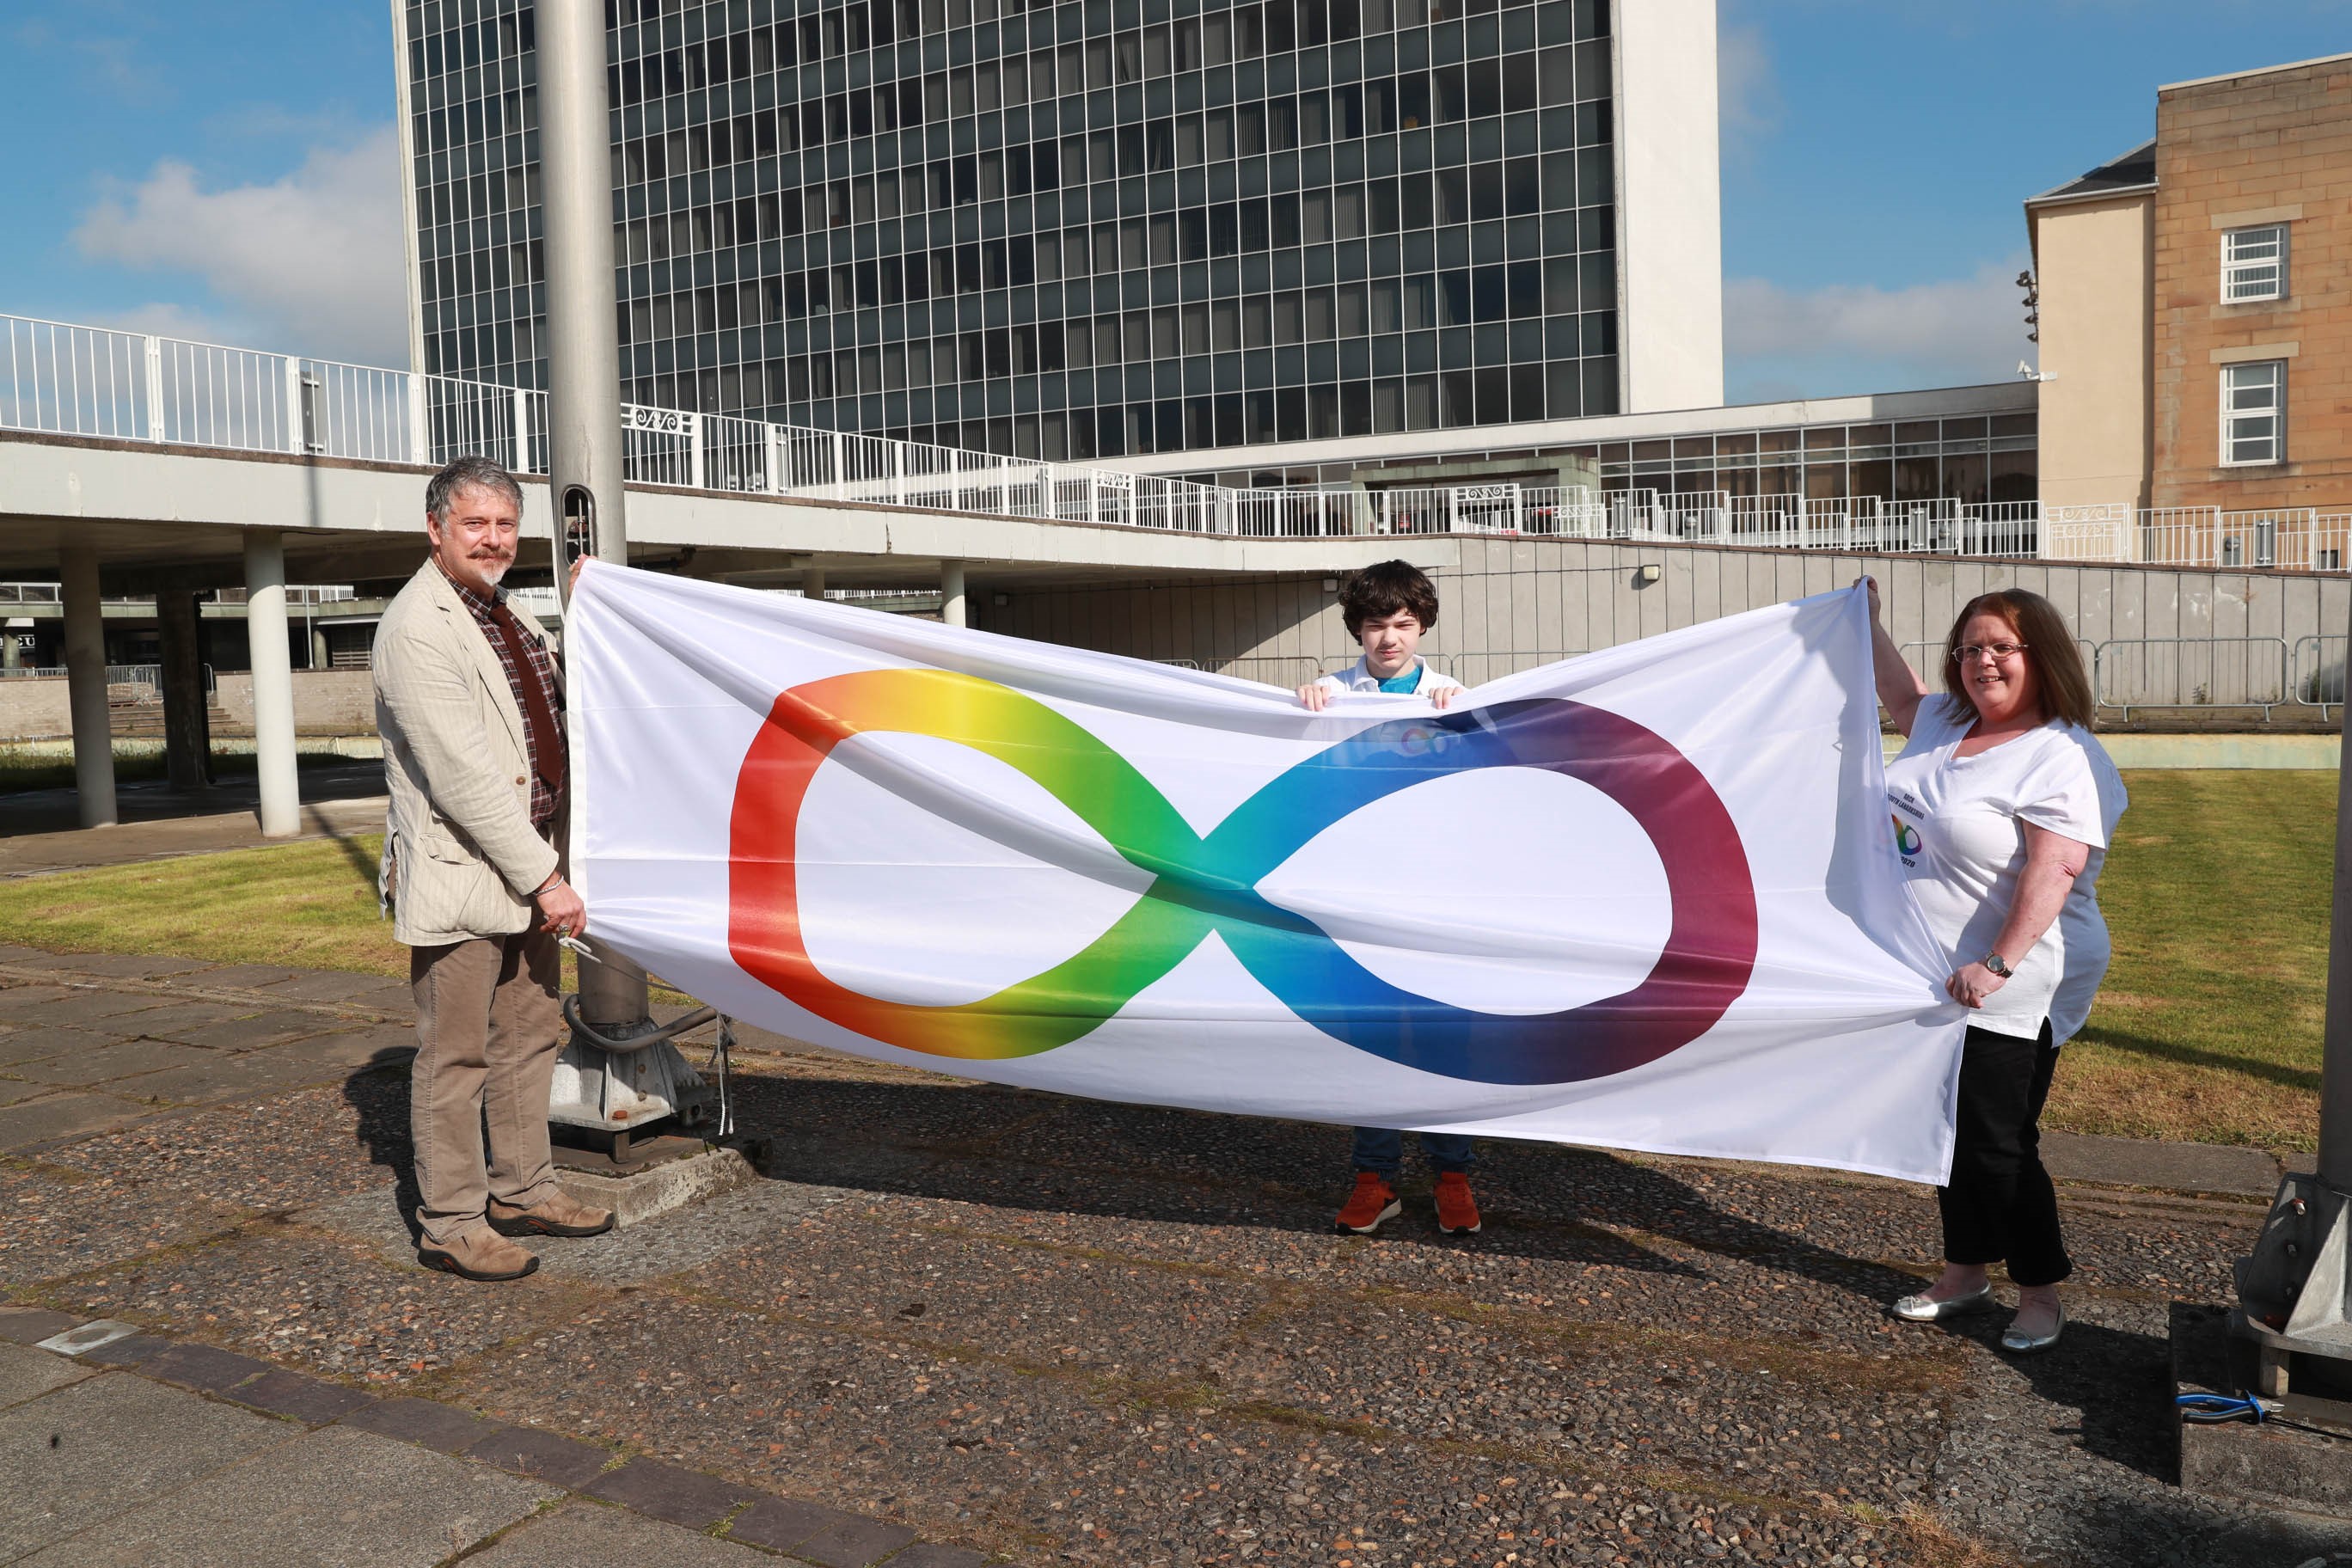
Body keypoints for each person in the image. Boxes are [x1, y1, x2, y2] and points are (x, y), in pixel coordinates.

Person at [1861, 577, 2125, 1352]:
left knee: (1997, 1138)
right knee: (1949, 1126)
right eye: (1970, 647)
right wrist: (1868, 622)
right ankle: (1964, 1273)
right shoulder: (1945, 721)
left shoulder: (2063, 754)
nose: (1984, 662)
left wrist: (1997, 964)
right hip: (1934, 971)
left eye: (2001, 648)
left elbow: (2057, 869)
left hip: (2017, 975)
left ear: (2039, 656)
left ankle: (2039, 1291)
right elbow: (1901, 695)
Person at [374, 455, 614, 1283]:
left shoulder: (505, 612)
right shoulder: (419, 627)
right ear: (435, 529)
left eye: (505, 525)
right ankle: (452, 1219)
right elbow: (466, 779)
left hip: (527, 871)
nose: (493, 539)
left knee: (529, 1039)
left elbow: (556, 707)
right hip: (469, 874)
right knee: (457, 1058)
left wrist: (601, 608)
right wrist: (547, 879)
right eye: (474, 524)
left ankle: (524, 1187)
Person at [1295, 560, 1480, 1237]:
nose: (1389, 639)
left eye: (1402, 624)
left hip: (1436, 906)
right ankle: (1375, 1178)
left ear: (1422, 625)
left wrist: (1462, 724)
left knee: (1444, 1039)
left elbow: (1486, 796)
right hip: (1355, 902)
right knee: (1367, 1042)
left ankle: (1451, 1174)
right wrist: (1299, 715)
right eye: (1376, 626)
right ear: (1357, 631)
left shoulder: (1454, 697)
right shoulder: (1327, 697)